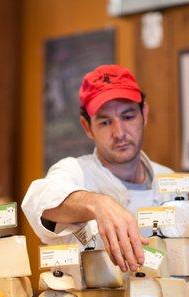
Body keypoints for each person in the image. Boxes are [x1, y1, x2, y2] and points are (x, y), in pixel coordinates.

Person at [22, 64, 176, 273]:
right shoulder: (74, 171)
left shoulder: (168, 179)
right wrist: (97, 204)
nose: (119, 132)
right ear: (87, 127)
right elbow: (38, 201)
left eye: (128, 117)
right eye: (105, 122)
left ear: (144, 114)